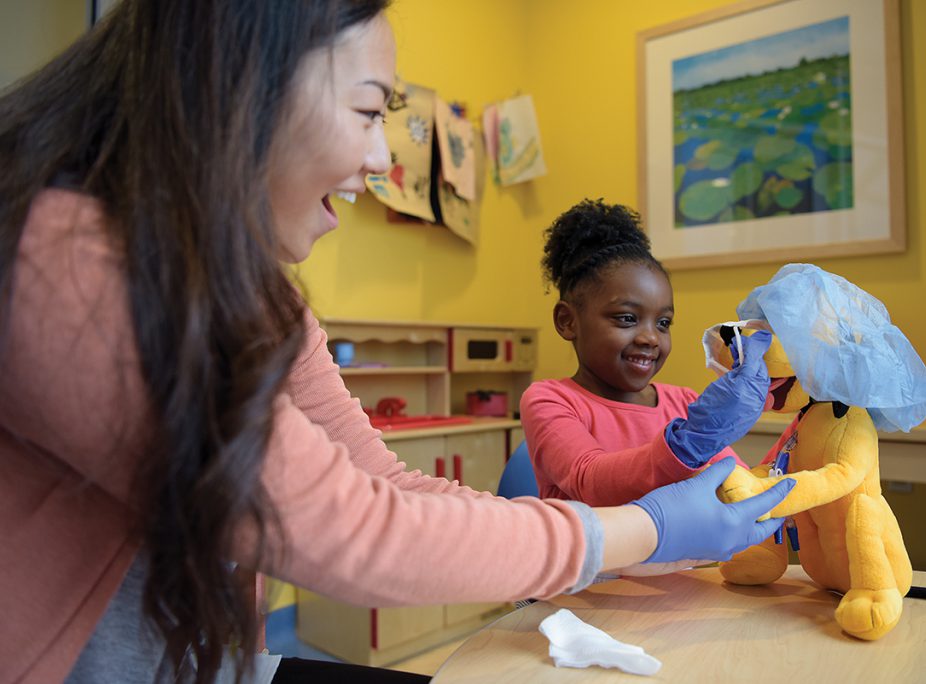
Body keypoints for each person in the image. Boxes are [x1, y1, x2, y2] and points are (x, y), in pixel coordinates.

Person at [0, 3, 795, 683]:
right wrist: (651, 528)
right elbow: (344, 524)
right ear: (250, 87)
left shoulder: (257, 295)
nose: (380, 160)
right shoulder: (71, 260)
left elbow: (376, 477)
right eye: (369, 111)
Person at [521, 199, 774, 506]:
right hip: (598, 555)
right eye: (627, 318)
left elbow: (737, 485)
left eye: (663, 322)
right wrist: (687, 443)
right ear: (567, 321)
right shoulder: (550, 400)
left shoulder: (683, 402)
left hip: (687, 557)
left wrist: (801, 436)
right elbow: (591, 481)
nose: (651, 338)